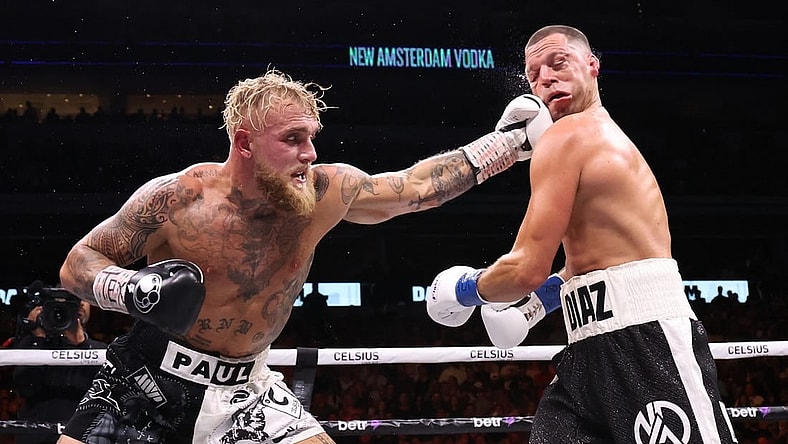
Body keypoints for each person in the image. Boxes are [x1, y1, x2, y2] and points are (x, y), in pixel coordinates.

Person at [56, 68, 552, 444]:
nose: (309, 152)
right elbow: (80, 262)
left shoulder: (324, 191)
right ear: (245, 143)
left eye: (311, 137)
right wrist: (130, 290)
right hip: (147, 379)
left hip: (246, 389)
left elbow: (416, 187)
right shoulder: (180, 199)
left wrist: (504, 145)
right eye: (293, 139)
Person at [426, 25, 737, 443]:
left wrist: (463, 289)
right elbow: (591, 264)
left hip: (649, 344)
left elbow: (525, 268)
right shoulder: (599, 141)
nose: (546, 78)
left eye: (558, 63)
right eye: (534, 75)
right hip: (586, 353)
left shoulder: (567, 138)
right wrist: (531, 310)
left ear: (592, 66)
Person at [10, 283, 107, 444]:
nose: (79, 305)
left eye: (81, 299)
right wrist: (38, 338)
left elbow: (103, 393)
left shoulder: (102, 352)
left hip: (82, 437)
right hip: (36, 436)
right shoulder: (33, 343)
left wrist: (80, 344)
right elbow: (26, 387)